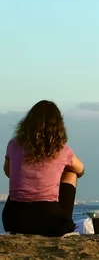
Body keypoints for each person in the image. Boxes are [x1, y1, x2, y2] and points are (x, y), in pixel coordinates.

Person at [2, 100, 85, 236]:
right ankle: (65, 221)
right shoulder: (62, 150)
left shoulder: (13, 144)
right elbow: (81, 170)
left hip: (13, 220)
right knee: (71, 172)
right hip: (49, 221)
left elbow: (8, 172)